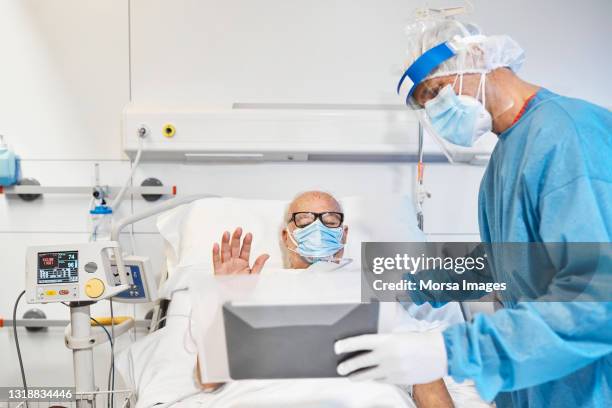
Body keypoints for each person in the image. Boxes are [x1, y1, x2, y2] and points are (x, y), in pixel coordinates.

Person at [334, 18, 612, 408]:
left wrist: (450, 350)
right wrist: (415, 285)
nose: (435, 111)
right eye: (426, 105)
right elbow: (503, 262)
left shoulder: (568, 136)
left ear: (478, 55)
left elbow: (598, 296)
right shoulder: (505, 158)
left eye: (435, 91)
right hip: (536, 386)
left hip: (589, 386)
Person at [208, 190, 488, 408]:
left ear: (343, 237)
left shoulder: (370, 289)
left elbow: (422, 368)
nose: (318, 228)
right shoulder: (255, 284)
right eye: (305, 220)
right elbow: (211, 374)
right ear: (285, 234)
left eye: (330, 222)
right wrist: (228, 298)